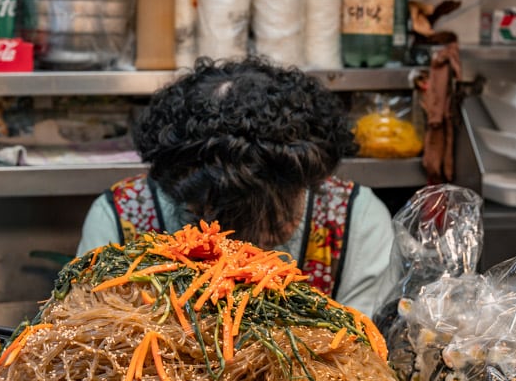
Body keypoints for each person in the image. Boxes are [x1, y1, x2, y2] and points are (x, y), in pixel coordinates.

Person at [76, 57, 396, 316]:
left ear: (307, 183)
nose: (245, 246)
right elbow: (88, 328)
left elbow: (363, 350)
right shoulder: (123, 216)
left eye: (274, 212)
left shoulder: (355, 220)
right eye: (221, 214)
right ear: (182, 192)